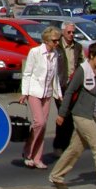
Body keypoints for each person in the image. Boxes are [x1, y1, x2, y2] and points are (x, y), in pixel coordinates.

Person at [49, 42, 96, 189]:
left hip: (93, 116)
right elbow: (69, 92)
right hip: (81, 116)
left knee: (75, 149)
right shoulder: (82, 71)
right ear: (91, 56)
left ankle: (56, 176)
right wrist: (62, 114)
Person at [19, 25, 62, 168]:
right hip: (34, 92)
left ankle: (37, 158)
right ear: (47, 40)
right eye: (55, 41)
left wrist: (58, 94)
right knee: (39, 122)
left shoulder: (55, 54)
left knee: (43, 127)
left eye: (58, 40)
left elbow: (54, 76)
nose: (57, 43)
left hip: (47, 93)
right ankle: (28, 151)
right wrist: (24, 93)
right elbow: (27, 73)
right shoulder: (35, 52)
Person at [53, 21, 80, 154]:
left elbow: (80, 63)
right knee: (63, 114)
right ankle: (59, 145)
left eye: (73, 32)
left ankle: (65, 145)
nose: (71, 35)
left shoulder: (77, 47)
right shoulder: (57, 47)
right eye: (69, 32)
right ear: (63, 32)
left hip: (73, 86)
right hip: (60, 86)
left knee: (69, 117)